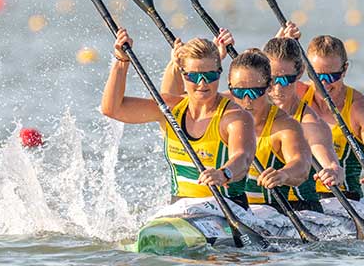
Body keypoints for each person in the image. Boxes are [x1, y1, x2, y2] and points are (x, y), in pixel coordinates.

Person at [101, 28, 256, 209]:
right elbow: (112, 109)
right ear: (183, 75)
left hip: (229, 209)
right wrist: (122, 60)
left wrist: (224, 174)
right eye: (194, 76)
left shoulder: (236, 117)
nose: (202, 83)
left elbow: (242, 157)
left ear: (220, 73)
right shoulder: (169, 108)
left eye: (210, 75)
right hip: (181, 210)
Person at [162, 37, 316, 212]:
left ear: (268, 88)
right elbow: (173, 98)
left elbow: (301, 165)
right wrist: (176, 65)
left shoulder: (286, 125)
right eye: (239, 92)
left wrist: (283, 174)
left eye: (255, 91)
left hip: (290, 211)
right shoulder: (227, 111)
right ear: (230, 89)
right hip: (245, 210)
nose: (246, 100)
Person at [279, 24, 364, 199]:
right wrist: (281, 44)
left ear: (345, 69)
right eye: (317, 76)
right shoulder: (294, 95)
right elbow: (262, 83)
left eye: (331, 77)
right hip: (297, 202)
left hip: (343, 200)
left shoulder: (362, 110)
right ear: (306, 71)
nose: (324, 84)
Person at [262, 35, 344, 205]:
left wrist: (333, 170)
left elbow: (327, 158)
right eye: (272, 80)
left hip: (301, 210)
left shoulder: (310, 123)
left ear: (299, 74)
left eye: (286, 80)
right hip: (259, 208)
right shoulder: (249, 105)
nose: (277, 89)